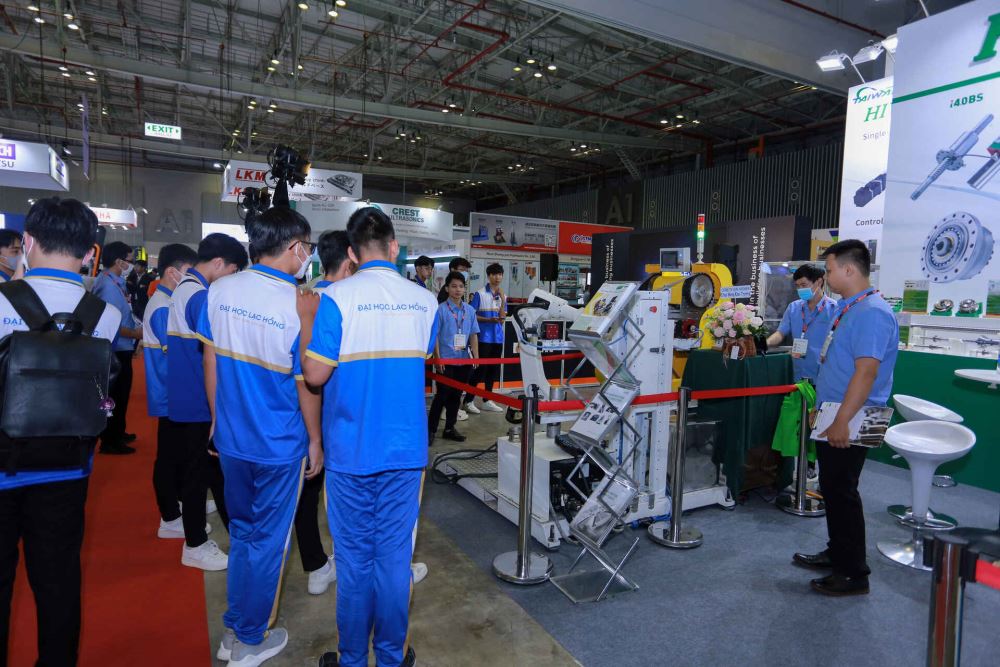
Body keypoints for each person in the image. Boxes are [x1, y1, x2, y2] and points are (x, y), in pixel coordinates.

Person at [301, 206, 437, 667]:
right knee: (394, 560)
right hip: (405, 452)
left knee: (355, 562)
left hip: (350, 452)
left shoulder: (336, 298)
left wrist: (306, 327)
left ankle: (353, 659)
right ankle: (392, 657)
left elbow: (315, 375)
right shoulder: (425, 301)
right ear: (394, 247)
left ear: (353, 253)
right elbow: (425, 353)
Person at [0, 197, 123, 667]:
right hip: (66, 467)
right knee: (58, 581)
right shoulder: (105, 315)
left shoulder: (3, 298)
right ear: (91, 252)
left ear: (28, 241)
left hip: (2, 463)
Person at [198, 207, 322, 666]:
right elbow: (307, 381)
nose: (308, 255)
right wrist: (315, 440)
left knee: (243, 535)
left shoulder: (221, 290)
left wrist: (217, 420)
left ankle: (234, 628)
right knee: (268, 543)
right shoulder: (298, 304)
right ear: (295, 247)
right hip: (278, 445)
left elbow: (210, 360)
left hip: (232, 440)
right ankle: (250, 639)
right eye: (307, 247)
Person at [793, 240, 898, 597]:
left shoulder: (872, 313)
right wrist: (824, 409)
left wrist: (841, 421)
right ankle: (837, 552)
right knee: (833, 489)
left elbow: (866, 373)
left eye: (830, 269)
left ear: (849, 270)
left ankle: (853, 573)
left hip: (852, 416)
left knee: (843, 491)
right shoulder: (851, 307)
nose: (826, 276)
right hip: (835, 411)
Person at [167, 233, 247, 572]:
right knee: (197, 476)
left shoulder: (188, 288)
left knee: (211, 473)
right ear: (218, 263)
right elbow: (217, 348)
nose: (232, 278)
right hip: (198, 401)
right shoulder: (199, 296)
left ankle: (235, 532)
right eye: (233, 271)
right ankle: (195, 544)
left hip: (190, 398)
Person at [295, 230, 353, 597]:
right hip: (346, 417)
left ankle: (316, 565)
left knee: (309, 492)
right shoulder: (349, 302)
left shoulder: (306, 297)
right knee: (353, 496)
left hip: (308, 414)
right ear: (351, 259)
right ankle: (363, 563)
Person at [143, 243, 202, 539]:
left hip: (172, 393)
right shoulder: (163, 307)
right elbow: (176, 353)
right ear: (171, 272)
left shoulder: (167, 301)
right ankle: (169, 515)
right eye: (189, 273)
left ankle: (178, 504)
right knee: (169, 456)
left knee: (176, 455)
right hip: (169, 394)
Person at [92, 242, 143, 455]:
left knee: (121, 394)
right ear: (118, 261)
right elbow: (110, 322)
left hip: (122, 346)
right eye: (130, 260)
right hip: (115, 348)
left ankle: (118, 432)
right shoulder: (107, 286)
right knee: (115, 395)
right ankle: (110, 439)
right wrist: (135, 335)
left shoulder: (115, 282)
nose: (132, 264)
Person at [429, 271, 480, 444]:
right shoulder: (440, 310)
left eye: (460, 286)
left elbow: (473, 334)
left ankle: (450, 428)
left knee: (456, 396)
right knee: (442, 396)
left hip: (463, 360)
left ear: (464, 289)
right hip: (446, 360)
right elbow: (435, 335)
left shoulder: (470, 311)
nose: (457, 290)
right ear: (447, 288)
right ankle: (431, 430)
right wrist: (437, 358)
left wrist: (476, 356)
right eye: (453, 286)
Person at [765, 265, 837, 382]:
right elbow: (780, 333)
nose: (800, 289)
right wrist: (765, 344)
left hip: (823, 376)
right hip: (797, 374)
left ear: (819, 282)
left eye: (804, 285)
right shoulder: (793, 308)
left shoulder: (834, 309)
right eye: (797, 286)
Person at [464, 263, 506, 414]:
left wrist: (503, 300)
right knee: (479, 370)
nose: (497, 277)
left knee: (493, 371)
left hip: (498, 338)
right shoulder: (480, 294)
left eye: (499, 274)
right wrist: (488, 320)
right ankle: (468, 401)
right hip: (483, 338)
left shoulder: (503, 295)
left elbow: (502, 318)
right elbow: (471, 315)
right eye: (494, 274)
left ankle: (487, 400)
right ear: (488, 276)